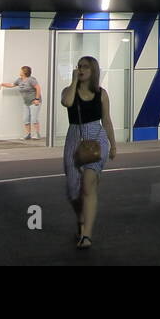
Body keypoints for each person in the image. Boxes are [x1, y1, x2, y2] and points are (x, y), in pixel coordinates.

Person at [61, 56, 118, 249]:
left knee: (88, 185)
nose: (82, 69)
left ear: (93, 71)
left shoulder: (101, 94)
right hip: (74, 138)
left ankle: (87, 234)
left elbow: (107, 120)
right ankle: (80, 219)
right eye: (79, 66)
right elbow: (67, 102)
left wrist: (113, 144)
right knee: (72, 190)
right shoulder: (69, 91)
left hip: (96, 138)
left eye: (86, 67)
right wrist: (74, 80)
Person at [0, 65, 42, 140]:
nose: (19, 71)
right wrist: (3, 84)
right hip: (26, 102)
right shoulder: (19, 80)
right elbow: (12, 85)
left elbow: (38, 88)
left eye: (21, 70)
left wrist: (37, 99)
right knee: (25, 119)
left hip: (34, 101)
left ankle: (37, 134)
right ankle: (28, 134)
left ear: (24, 72)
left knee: (34, 119)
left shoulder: (31, 80)